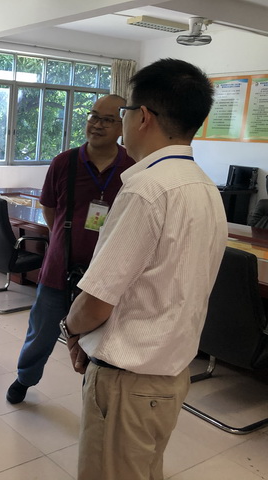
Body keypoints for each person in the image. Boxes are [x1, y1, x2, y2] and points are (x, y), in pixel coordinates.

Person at [62, 58, 228, 480]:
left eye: (124, 111)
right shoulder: (204, 186)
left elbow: (97, 301)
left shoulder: (146, 190)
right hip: (168, 378)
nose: (122, 121)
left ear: (144, 117)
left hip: (127, 384)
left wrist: (71, 330)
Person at [6, 94, 135, 404]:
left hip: (106, 275)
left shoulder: (132, 167)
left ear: (122, 127)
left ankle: (93, 392)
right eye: (93, 116)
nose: (97, 124)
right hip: (58, 269)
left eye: (107, 120)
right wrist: (67, 239)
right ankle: (25, 378)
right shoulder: (64, 162)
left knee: (100, 340)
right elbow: (50, 210)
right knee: (41, 332)